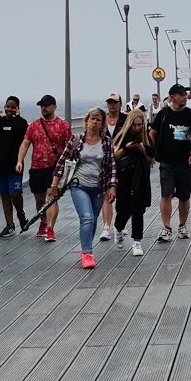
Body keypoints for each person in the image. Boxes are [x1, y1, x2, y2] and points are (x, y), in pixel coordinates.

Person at [65, 108, 117, 269]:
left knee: (93, 219)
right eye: (92, 119)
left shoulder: (106, 142)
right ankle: (87, 253)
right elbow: (62, 161)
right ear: (86, 121)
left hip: (99, 187)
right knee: (87, 217)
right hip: (79, 184)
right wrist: (54, 184)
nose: (95, 122)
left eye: (98, 119)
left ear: (102, 124)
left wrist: (112, 186)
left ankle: (87, 247)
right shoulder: (77, 140)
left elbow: (111, 166)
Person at [16, 95, 73, 242]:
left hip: (55, 167)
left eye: (46, 105)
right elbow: (25, 143)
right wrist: (19, 161)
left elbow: (70, 147)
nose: (43, 108)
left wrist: (68, 166)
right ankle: (43, 221)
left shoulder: (63, 126)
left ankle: (50, 228)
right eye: (42, 105)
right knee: (39, 200)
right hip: (37, 167)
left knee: (51, 198)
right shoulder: (34, 126)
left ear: (54, 107)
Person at [151, 84, 191, 241]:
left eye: (185, 94)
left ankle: (182, 225)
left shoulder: (190, 115)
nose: (184, 97)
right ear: (172, 97)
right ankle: (166, 228)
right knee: (166, 194)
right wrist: (150, 152)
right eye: (181, 95)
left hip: (185, 162)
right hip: (167, 162)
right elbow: (152, 133)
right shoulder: (163, 114)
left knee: (184, 196)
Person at [0, 96, 29, 237]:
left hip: (15, 166)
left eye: (13, 107)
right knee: (5, 195)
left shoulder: (21, 123)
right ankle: (10, 225)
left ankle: (21, 214)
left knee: (15, 193)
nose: (9, 109)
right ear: (4, 107)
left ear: (18, 109)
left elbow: (26, 136)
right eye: (8, 106)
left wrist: (17, 118)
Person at [112, 107, 154, 255]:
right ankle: (118, 228)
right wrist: (127, 148)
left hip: (140, 178)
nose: (137, 128)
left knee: (138, 210)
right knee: (123, 210)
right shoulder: (122, 135)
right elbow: (114, 156)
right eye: (134, 125)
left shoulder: (146, 137)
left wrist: (143, 149)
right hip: (124, 177)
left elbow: (151, 159)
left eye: (140, 125)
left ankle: (137, 241)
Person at [98, 94, 127, 240]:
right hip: (105, 162)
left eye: (115, 102)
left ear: (120, 104)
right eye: (110, 102)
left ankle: (121, 224)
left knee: (122, 195)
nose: (112, 105)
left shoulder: (126, 119)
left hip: (123, 161)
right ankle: (106, 227)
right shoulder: (101, 119)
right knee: (106, 194)